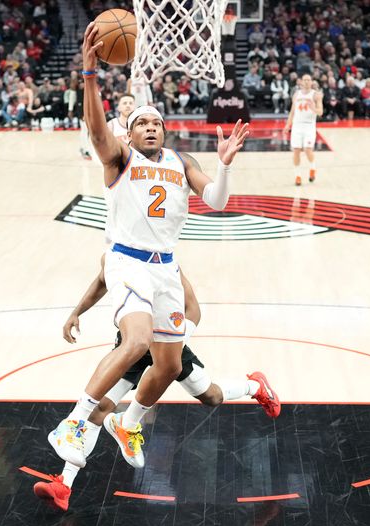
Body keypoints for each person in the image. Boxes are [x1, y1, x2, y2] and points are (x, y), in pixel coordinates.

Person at [47, 22, 250, 472]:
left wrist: (224, 166)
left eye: (157, 122)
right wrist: (90, 75)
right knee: (136, 341)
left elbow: (215, 200)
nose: (151, 128)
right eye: (141, 123)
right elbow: (98, 131)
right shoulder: (119, 159)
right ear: (130, 134)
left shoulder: (182, 161)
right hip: (126, 263)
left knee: (168, 364)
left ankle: (128, 423)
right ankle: (76, 422)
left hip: (166, 270)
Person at [34, 259, 280, 511]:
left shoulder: (165, 264)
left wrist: (177, 340)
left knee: (211, 396)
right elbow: (101, 280)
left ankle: (255, 387)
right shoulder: (119, 255)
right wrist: (77, 311)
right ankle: (65, 483)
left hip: (169, 343)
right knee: (99, 409)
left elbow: (193, 307)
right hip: (133, 344)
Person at [283, 74, 323, 186]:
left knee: (307, 149)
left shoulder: (316, 95)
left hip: (309, 126)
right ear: (300, 82)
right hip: (297, 126)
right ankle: (298, 176)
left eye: (308, 80)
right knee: (296, 150)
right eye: (304, 80)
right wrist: (287, 125)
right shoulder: (296, 95)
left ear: (311, 82)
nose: (306, 82)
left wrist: (313, 108)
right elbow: (292, 112)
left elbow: (320, 112)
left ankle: (312, 168)